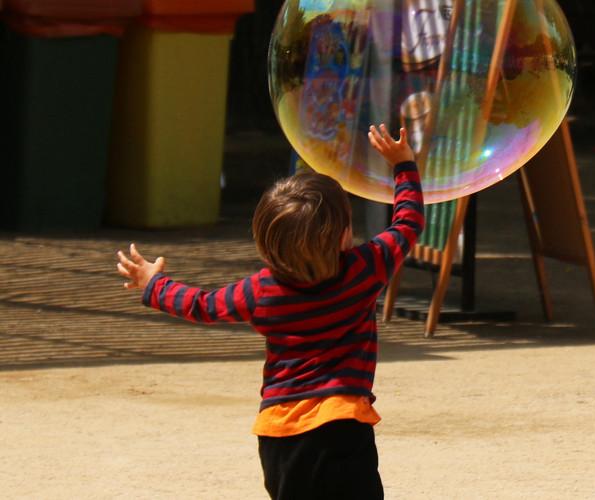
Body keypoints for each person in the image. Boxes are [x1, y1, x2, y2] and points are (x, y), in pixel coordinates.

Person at [115, 124, 424, 500]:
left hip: (279, 435)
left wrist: (153, 285)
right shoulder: (365, 268)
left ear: (266, 248)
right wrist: (403, 165)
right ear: (344, 235)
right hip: (342, 426)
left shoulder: (261, 291)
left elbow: (202, 306)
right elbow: (408, 223)